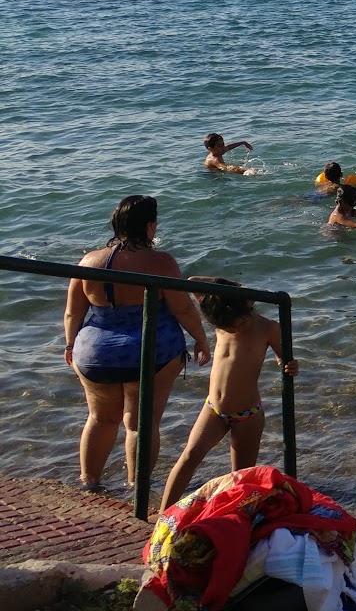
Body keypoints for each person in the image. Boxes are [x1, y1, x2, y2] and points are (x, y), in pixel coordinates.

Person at [63, 196, 211, 490]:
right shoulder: (161, 262)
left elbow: (72, 312)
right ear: (149, 226)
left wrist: (70, 346)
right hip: (151, 353)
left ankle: (89, 484)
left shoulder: (90, 261)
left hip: (95, 353)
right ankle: (136, 489)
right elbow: (182, 309)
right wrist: (202, 340)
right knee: (140, 424)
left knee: (100, 419)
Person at [157, 277, 298, 513]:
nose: (233, 329)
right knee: (190, 456)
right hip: (213, 408)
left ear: (247, 307)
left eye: (238, 324)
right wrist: (232, 290)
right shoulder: (222, 316)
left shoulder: (268, 327)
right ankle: (163, 514)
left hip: (248, 415)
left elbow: (283, 356)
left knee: (239, 477)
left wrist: (289, 365)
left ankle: (233, 520)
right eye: (228, 327)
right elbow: (193, 282)